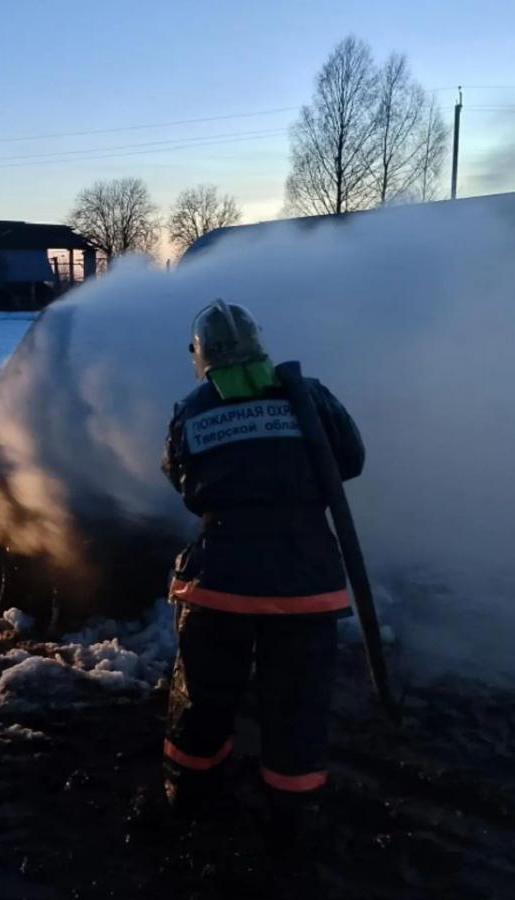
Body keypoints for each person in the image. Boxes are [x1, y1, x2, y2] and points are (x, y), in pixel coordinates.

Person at [160, 299, 365, 844]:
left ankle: (189, 799)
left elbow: (183, 481)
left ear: (200, 356)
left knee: (204, 698)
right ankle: (290, 821)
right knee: (297, 705)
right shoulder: (310, 397)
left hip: (219, 584)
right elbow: (350, 461)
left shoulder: (194, 408)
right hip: (305, 585)